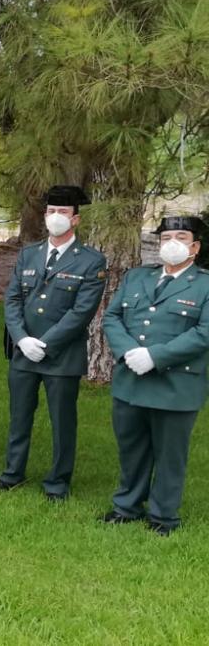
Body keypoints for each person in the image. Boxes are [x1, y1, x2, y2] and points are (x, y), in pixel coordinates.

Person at [0, 185, 105, 500]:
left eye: (63, 212)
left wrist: (45, 343)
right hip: (23, 351)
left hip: (61, 355)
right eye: (52, 211)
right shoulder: (29, 253)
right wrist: (21, 338)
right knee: (19, 415)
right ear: (45, 216)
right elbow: (12, 299)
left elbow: (81, 312)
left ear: (76, 220)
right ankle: (13, 472)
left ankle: (58, 481)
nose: (56, 217)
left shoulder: (91, 261)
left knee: (62, 421)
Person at [100, 216, 209, 535]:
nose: (172, 243)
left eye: (181, 237)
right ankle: (127, 506)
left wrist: (155, 356)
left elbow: (204, 333)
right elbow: (112, 317)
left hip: (176, 384)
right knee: (131, 448)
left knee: (170, 453)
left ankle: (163, 515)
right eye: (165, 238)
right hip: (131, 379)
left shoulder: (204, 284)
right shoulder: (137, 277)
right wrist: (127, 351)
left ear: (195, 246)